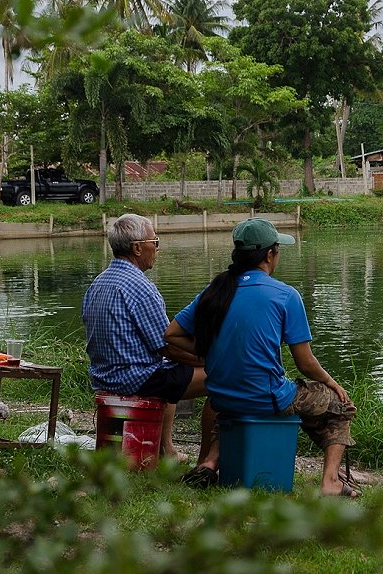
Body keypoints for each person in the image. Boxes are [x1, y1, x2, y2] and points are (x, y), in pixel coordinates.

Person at [165, 218, 360, 497]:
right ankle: (330, 481)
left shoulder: (215, 291)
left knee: (239, 399)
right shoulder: (285, 295)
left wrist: (211, 348)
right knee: (339, 406)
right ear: (270, 254)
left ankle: (210, 461)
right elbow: (305, 363)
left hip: (222, 398)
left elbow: (171, 334)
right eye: (278, 250)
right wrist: (333, 384)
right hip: (264, 397)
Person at [82, 213, 218, 476]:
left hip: (104, 375)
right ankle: (205, 463)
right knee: (223, 377)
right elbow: (168, 345)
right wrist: (212, 358)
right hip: (134, 379)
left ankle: (166, 450)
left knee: (173, 370)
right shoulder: (140, 287)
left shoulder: (98, 283)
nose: (157, 247)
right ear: (136, 247)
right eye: (154, 241)